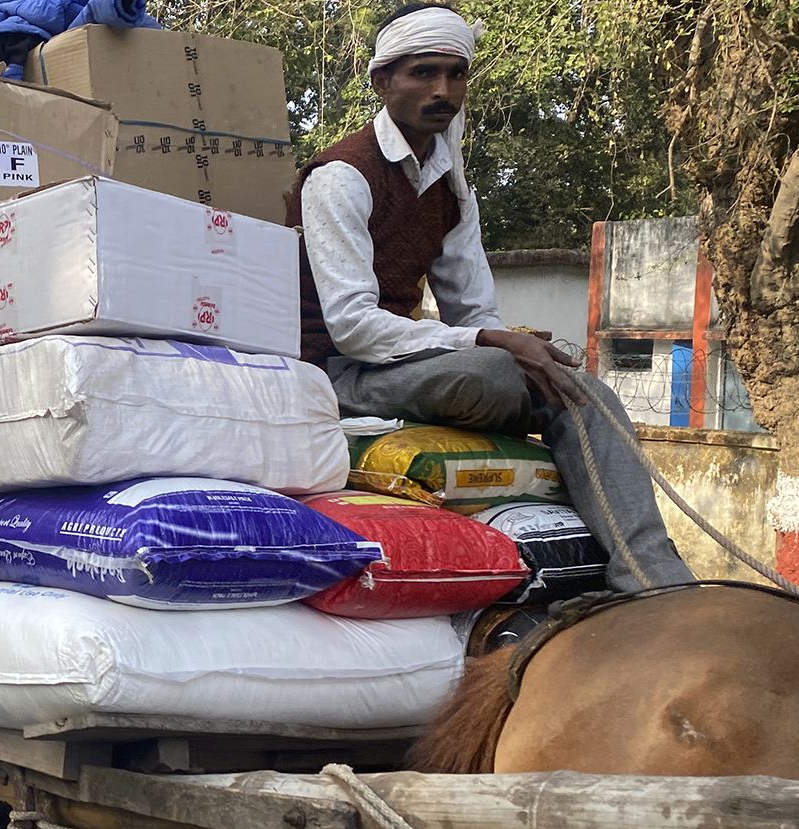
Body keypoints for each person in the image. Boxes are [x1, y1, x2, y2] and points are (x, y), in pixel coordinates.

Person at [286, 2, 692, 594]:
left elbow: (472, 308)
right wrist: (493, 344)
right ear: (381, 82)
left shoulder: (451, 185)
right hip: (336, 370)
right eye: (423, 73)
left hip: (407, 366)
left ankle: (655, 578)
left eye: (456, 74)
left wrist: (514, 345)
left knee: (582, 389)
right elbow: (354, 327)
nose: (442, 90)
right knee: (494, 376)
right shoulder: (342, 176)